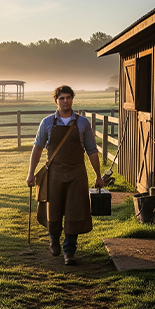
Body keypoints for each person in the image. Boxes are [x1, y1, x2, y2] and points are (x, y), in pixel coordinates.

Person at [26, 85, 104, 265]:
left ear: (72, 99)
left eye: (68, 97)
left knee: (74, 211)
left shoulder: (83, 123)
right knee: (53, 210)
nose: (65, 101)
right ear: (56, 101)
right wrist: (31, 173)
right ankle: (53, 239)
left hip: (77, 173)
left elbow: (92, 150)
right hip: (54, 172)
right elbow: (37, 148)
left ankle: (69, 251)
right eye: (62, 98)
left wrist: (98, 175)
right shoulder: (46, 123)